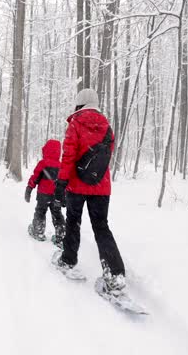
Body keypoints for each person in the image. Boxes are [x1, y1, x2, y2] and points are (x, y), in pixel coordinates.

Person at [53, 88, 127, 296]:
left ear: (80, 103)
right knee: (102, 228)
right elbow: (106, 157)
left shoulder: (75, 124)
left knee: (73, 222)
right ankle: (115, 274)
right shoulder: (107, 128)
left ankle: (68, 260)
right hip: (101, 187)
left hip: (77, 185)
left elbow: (68, 156)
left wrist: (61, 183)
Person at [25, 139, 65, 246]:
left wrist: (29, 188)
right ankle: (61, 237)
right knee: (57, 215)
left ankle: (38, 232)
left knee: (40, 212)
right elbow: (64, 183)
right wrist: (64, 197)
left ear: (46, 150)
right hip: (56, 196)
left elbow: (35, 177)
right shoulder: (61, 166)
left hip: (43, 195)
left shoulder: (43, 163)